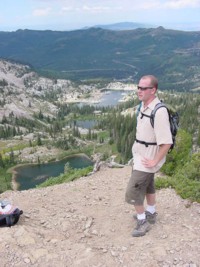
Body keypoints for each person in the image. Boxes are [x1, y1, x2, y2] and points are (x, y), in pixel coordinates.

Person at [125, 75, 173, 237]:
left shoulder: (159, 112)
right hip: (140, 154)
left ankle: (142, 221)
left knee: (133, 190)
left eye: (143, 88)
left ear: (153, 90)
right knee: (148, 185)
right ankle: (150, 213)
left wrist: (154, 161)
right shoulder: (144, 105)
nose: (139, 91)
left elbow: (167, 142)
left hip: (147, 158)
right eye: (138, 87)